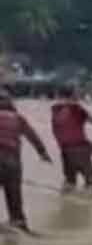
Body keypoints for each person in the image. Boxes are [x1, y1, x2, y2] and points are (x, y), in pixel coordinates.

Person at [0, 92, 53, 231]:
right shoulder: (18, 118)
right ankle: (18, 223)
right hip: (12, 162)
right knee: (14, 195)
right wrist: (43, 153)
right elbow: (33, 136)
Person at [50, 85, 92, 194]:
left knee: (69, 181)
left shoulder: (55, 109)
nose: (79, 95)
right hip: (79, 148)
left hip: (65, 150)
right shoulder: (76, 109)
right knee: (90, 180)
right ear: (72, 95)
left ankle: (67, 203)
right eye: (77, 93)